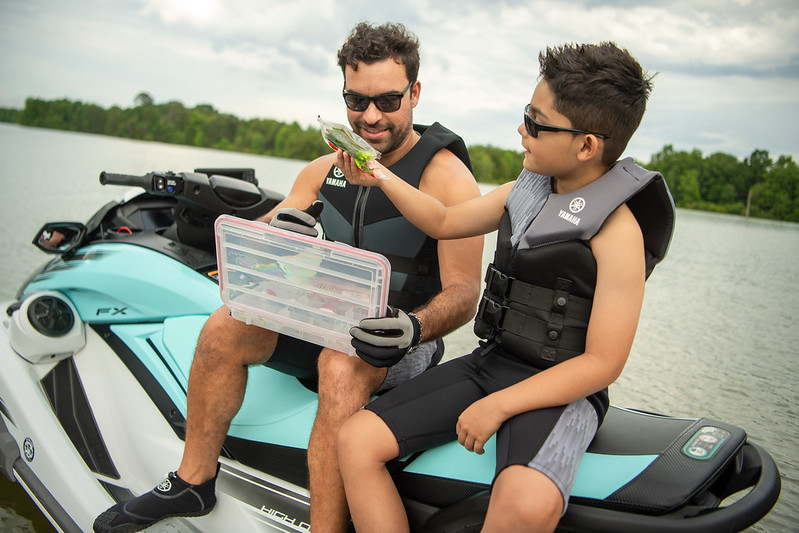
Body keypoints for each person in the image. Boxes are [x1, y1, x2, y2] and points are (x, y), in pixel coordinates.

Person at [93, 22, 483, 533]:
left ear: (414, 93)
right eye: (356, 100)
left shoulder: (449, 179)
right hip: (318, 320)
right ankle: (193, 482)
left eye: (388, 100)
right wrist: (281, 229)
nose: (370, 117)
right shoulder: (324, 168)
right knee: (223, 326)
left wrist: (411, 328)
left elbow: (463, 294)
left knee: (341, 364)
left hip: (399, 344)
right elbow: (254, 243)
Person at [336, 42, 674, 533]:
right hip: (492, 363)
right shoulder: (526, 190)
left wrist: (498, 406)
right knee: (356, 441)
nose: (522, 130)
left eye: (537, 124)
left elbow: (604, 363)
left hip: (562, 391)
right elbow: (446, 219)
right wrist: (380, 176)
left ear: (587, 145)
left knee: (526, 505)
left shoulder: (618, 233)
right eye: (525, 115)